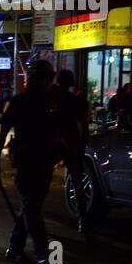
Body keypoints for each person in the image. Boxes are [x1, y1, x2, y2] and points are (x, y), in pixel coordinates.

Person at [0, 59, 59, 264]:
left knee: (31, 206)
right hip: (25, 161)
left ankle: (15, 245)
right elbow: (3, 132)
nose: (46, 83)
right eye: (43, 79)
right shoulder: (19, 102)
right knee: (31, 206)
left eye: (48, 79)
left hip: (45, 160)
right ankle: (42, 252)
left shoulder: (51, 103)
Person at [51, 68, 91, 233]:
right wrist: (81, 146)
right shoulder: (76, 101)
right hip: (71, 143)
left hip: (55, 142)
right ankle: (83, 220)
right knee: (77, 183)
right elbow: (84, 126)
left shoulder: (52, 98)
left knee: (38, 184)